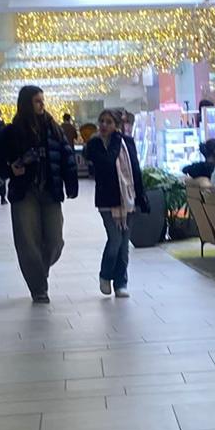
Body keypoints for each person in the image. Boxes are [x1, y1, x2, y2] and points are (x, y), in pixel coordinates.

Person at [0, 84, 78, 302]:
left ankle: (39, 269)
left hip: (50, 190)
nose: (42, 105)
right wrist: (10, 169)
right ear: (26, 103)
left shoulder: (53, 128)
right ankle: (38, 288)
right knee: (27, 241)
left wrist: (71, 184)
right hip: (24, 192)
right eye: (37, 101)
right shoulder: (12, 132)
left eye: (42, 101)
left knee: (55, 241)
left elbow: (66, 155)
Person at [83, 107, 146, 298]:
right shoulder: (94, 144)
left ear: (117, 125)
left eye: (109, 122)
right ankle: (105, 274)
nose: (104, 125)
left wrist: (141, 196)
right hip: (107, 199)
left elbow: (135, 169)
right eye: (102, 121)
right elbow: (108, 162)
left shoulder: (128, 142)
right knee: (115, 240)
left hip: (128, 198)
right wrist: (116, 140)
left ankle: (121, 283)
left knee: (124, 244)